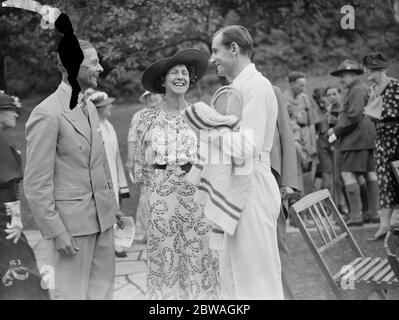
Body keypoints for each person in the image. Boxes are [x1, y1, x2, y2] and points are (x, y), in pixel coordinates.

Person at [24, 40, 120, 299]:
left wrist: (112, 206)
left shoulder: (88, 105)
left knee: (102, 295)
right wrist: (56, 231)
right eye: (93, 63)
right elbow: (35, 183)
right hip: (71, 229)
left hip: (103, 222)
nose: (100, 68)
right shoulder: (46, 113)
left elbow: (98, 162)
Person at [133, 48, 219, 299]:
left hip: (195, 196)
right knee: (165, 254)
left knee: (198, 252)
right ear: (163, 81)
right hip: (161, 199)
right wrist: (156, 188)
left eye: (185, 73)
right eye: (174, 73)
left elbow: (213, 157)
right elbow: (141, 164)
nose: (180, 77)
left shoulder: (200, 114)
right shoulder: (147, 118)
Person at [210, 25, 283, 299]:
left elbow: (247, 147)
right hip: (234, 186)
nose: (212, 58)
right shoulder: (235, 88)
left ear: (234, 49)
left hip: (252, 185)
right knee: (232, 275)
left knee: (256, 277)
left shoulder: (257, 86)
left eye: (215, 51)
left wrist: (207, 133)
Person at [0, 91, 49, 300]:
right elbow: (9, 184)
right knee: (22, 273)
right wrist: (17, 219)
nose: (16, 114)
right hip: (4, 222)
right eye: (10, 109)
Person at [327, 59, 379, 227]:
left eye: (342, 76)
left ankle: (356, 216)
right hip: (366, 136)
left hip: (356, 138)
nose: (341, 80)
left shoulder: (356, 89)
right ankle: (372, 212)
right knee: (369, 173)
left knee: (348, 174)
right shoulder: (360, 88)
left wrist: (336, 131)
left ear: (352, 74)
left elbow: (354, 115)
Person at [88, 90, 130, 257]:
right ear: (98, 109)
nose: (111, 107)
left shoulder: (108, 125)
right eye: (107, 105)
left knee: (115, 205)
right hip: (102, 174)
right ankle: (108, 244)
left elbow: (116, 153)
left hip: (113, 171)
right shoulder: (93, 127)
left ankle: (116, 242)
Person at [363, 52, 399, 240]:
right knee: (385, 181)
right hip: (381, 140)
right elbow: (370, 114)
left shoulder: (395, 86)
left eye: (370, 68)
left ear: (381, 69)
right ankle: (384, 225)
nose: (366, 71)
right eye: (367, 68)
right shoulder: (371, 90)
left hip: (397, 138)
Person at [271, 86, 299, 300]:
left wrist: (287, 181)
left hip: (273, 182)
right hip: (238, 189)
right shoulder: (226, 94)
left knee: (277, 248)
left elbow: (286, 134)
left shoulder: (271, 90)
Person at [126, 90, 163, 243]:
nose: (152, 97)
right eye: (148, 95)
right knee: (146, 197)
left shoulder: (168, 113)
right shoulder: (139, 115)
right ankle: (144, 233)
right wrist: (129, 160)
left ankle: (162, 230)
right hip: (146, 163)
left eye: (154, 94)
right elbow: (132, 139)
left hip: (166, 163)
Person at [284, 71, 320, 195]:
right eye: (300, 85)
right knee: (297, 172)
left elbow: (311, 124)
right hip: (293, 140)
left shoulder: (305, 99)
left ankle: (310, 203)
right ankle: (299, 206)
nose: (303, 88)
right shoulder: (284, 100)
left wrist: (313, 146)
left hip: (306, 139)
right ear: (292, 84)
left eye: (304, 85)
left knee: (309, 172)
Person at [325, 86, 349, 216]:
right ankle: (340, 206)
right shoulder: (330, 110)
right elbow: (330, 128)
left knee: (345, 177)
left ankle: (347, 206)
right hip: (336, 146)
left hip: (347, 145)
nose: (331, 97)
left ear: (340, 94)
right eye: (329, 95)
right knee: (337, 178)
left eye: (334, 93)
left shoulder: (344, 108)